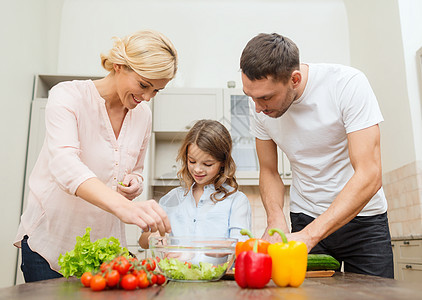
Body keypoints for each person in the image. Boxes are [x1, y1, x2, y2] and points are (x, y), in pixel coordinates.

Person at [14, 29, 178, 282]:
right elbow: (65, 165)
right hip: (51, 242)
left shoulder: (142, 115)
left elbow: (135, 169)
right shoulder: (68, 96)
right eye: (144, 85)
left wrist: (133, 182)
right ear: (119, 66)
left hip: (104, 248)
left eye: (156, 91)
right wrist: (124, 207)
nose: (147, 97)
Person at [240, 33, 393, 278]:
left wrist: (311, 235)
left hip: (363, 220)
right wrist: (275, 218)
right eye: (251, 97)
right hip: (304, 215)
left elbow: (370, 174)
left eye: (266, 97)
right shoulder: (259, 106)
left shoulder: (347, 84)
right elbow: (268, 170)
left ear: (295, 79)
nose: (257, 107)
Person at [139, 119, 251, 249]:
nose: (197, 169)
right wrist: (153, 235)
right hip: (177, 269)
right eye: (192, 161)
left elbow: (242, 246)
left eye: (207, 164)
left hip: (221, 270)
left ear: (223, 163)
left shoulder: (236, 201)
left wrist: (219, 247)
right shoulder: (173, 197)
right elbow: (142, 241)